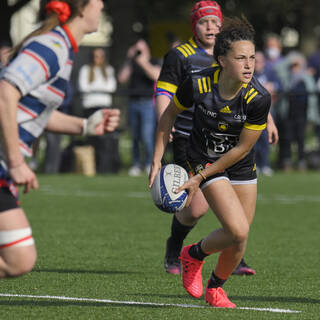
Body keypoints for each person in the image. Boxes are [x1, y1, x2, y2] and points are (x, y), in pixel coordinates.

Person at [150, 15, 270, 308]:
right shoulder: (198, 84)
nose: (248, 64)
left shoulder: (258, 98)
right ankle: (192, 255)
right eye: (240, 58)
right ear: (221, 60)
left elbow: (242, 148)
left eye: (252, 57)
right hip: (203, 157)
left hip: (239, 163)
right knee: (237, 229)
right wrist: (156, 162)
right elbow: (168, 117)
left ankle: (214, 287)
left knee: (238, 238)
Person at [0, 0, 120, 278]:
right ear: (81, 8)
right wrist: (17, 162)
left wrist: (86, 126)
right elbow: (6, 93)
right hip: (6, 161)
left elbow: (35, 112)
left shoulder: (61, 49)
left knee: (18, 259)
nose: (101, 4)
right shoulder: (53, 46)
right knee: (19, 259)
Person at [117, 38, 161, 176]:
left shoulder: (153, 61)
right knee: (135, 136)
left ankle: (149, 163)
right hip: (133, 103)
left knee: (147, 136)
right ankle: (136, 164)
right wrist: (129, 60)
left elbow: (156, 76)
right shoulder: (132, 63)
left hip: (147, 103)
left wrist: (143, 62)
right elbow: (121, 79)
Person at [78, 47, 120, 173]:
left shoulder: (109, 70)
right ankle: (92, 167)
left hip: (104, 108)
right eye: (95, 56)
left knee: (105, 140)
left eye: (100, 56)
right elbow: (83, 87)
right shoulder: (85, 70)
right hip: (90, 108)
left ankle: (105, 168)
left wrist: (94, 87)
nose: (98, 59)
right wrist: (101, 88)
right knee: (92, 139)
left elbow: (111, 87)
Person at [254, 51, 282, 176]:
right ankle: (255, 165)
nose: (257, 63)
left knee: (266, 139)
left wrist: (272, 86)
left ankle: (265, 165)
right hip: (252, 111)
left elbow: (280, 86)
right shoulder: (250, 74)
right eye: (255, 60)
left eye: (259, 61)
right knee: (253, 140)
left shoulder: (270, 72)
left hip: (268, 110)